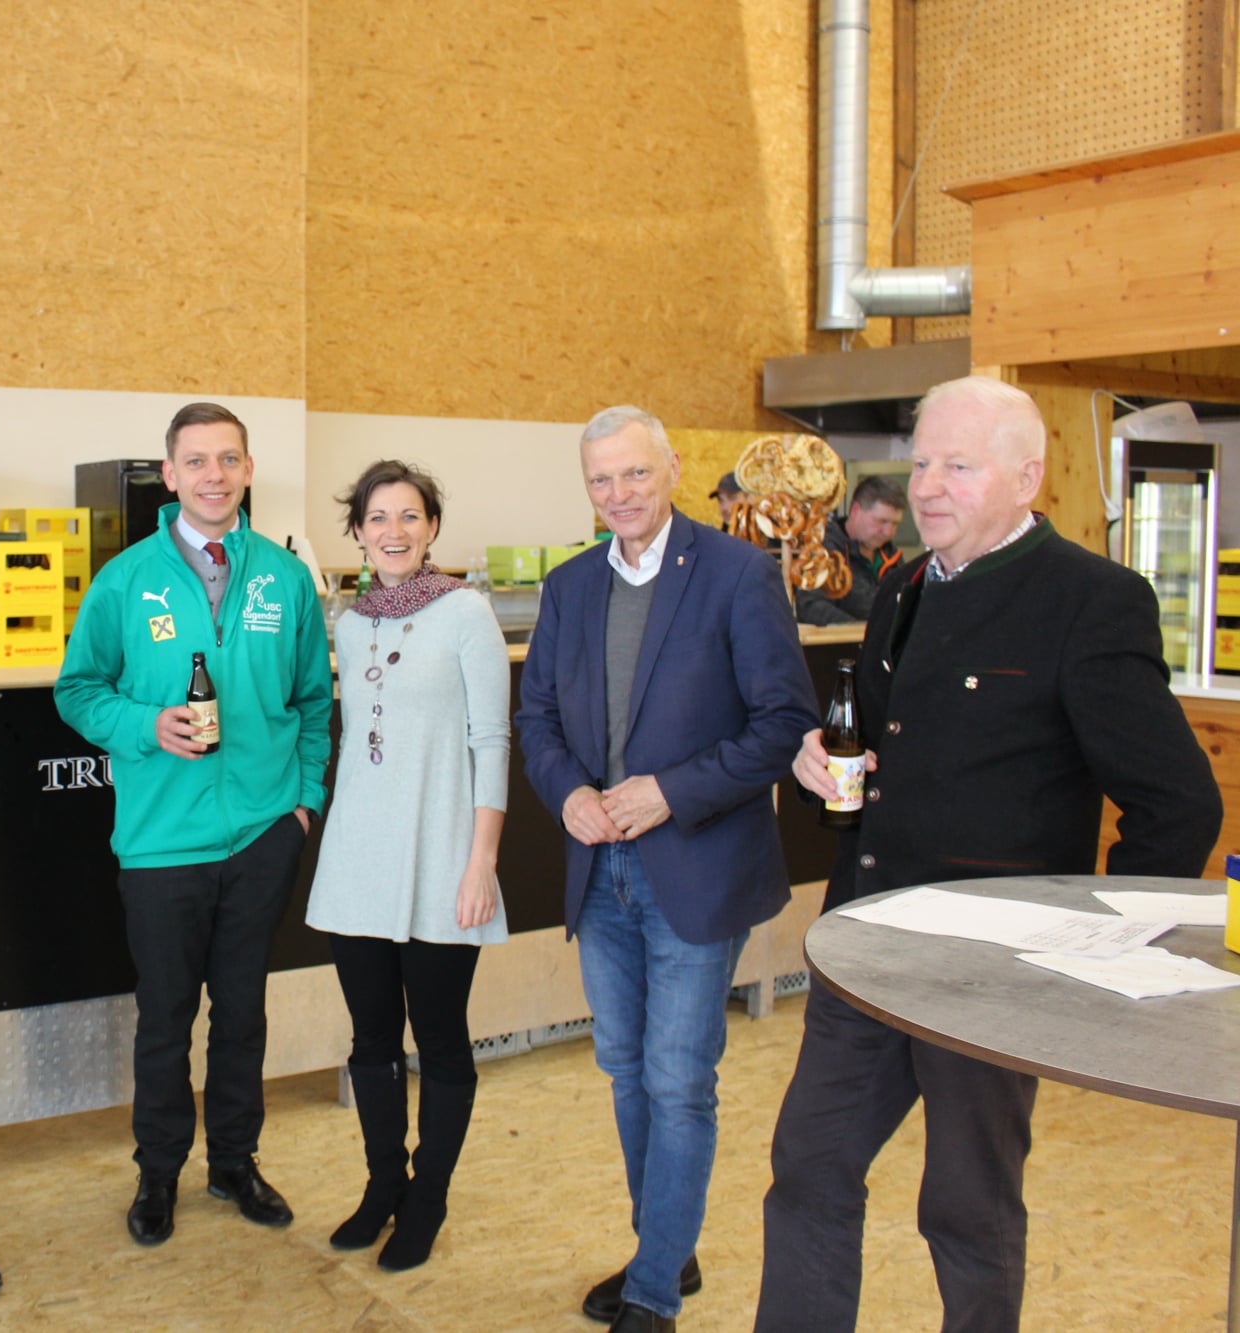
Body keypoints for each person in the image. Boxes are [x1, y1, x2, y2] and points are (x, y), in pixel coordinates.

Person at [755, 376, 1222, 1333]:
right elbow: (872, 753)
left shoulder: (1091, 600)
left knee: (966, 1206)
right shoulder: (904, 587)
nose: (928, 487)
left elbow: (1179, 804)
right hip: (864, 950)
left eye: (958, 467)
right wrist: (817, 766)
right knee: (808, 1169)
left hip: (993, 979)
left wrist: (1095, 949)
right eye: (922, 463)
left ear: (1026, 477)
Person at [516, 405, 817, 1333]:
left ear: (674, 469)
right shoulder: (569, 585)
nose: (619, 494)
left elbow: (782, 723)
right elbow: (538, 719)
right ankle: (667, 1248)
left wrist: (670, 792)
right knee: (625, 1068)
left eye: (635, 473)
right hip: (598, 870)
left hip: (698, 868)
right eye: (601, 479)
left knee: (679, 1077)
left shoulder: (738, 573)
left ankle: (652, 1290)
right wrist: (567, 792)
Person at [55, 401, 333, 1246]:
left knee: (242, 1013)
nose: (215, 475)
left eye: (229, 459)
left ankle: (235, 1162)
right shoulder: (125, 580)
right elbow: (78, 690)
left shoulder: (284, 578)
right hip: (161, 843)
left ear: (248, 469)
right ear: (170, 474)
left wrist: (302, 804)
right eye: (197, 461)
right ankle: (159, 1172)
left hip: (262, 835)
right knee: (166, 1018)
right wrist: (147, 725)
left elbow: (313, 701)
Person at [305, 460, 509, 1272]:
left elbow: (491, 741)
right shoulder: (348, 623)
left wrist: (482, 861)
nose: (394, 531)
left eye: (410, 516)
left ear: (432, 527)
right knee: (371, 1039)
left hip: (442, 859)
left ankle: (428, 1198)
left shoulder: (467, 613)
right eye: (378, 518)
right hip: (358, 859)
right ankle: (383, 1184)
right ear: (358, 532)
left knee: (441, 1037)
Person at [794, 474, 905, 625]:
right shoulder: (823, 549)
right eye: (882, 521)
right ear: (855, 510)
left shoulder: (893, 557)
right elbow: (811, 607)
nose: (888, 532)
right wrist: (865, 632)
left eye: (895, 524)